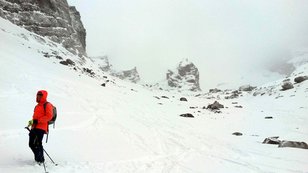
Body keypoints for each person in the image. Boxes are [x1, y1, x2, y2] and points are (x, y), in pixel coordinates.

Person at [27, 90, 53, 164]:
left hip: (41, 127)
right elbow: (35, 117)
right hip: (34, 127)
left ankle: (40, 160)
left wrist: (38, 121)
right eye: (38, 95)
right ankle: (38, 157)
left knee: (38, 143)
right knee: (31, 144)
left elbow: (49, 116)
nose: (38, 96)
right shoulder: (37, 106)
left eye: (40, 95)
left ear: (44, 96)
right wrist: (31, 122)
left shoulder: (47, 105)